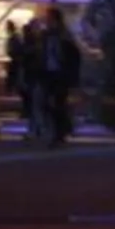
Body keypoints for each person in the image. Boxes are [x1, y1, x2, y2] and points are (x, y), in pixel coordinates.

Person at [35, 8, 82, 147]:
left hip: (60, 74)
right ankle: (58, 129)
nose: (47, 21)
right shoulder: (46, 36)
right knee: (47, 103)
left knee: (58, 103)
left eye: (49, 18)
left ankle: (60, 132)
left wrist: (72, 77)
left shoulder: (64, 37)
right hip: (48, 73)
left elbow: (73, 57)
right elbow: (41, 54)